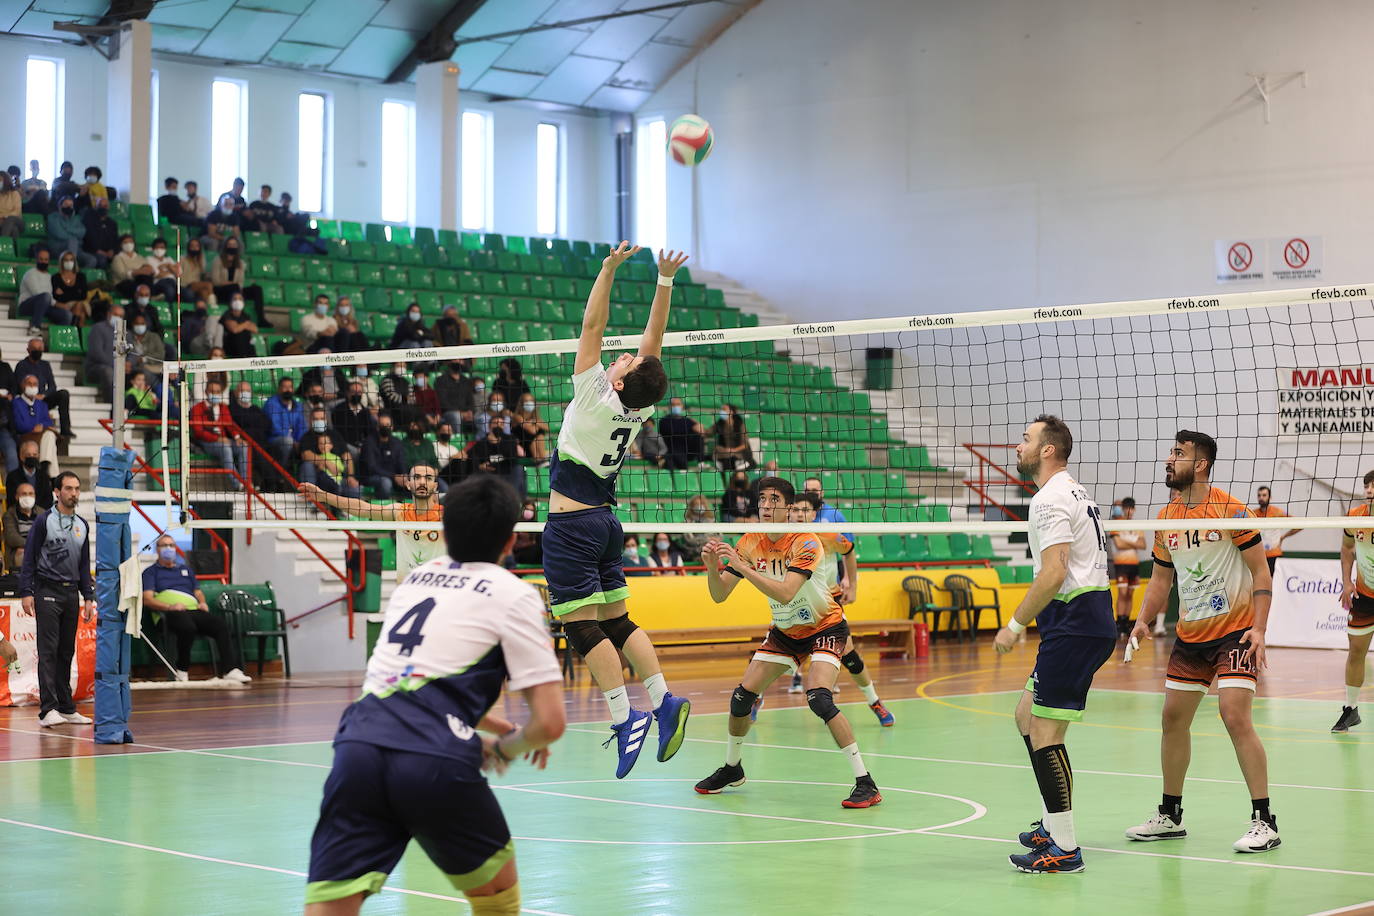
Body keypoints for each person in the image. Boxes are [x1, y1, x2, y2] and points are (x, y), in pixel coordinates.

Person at [303, 475, 564, 916]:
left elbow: (408, 677)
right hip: (433, 760)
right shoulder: (513, 594)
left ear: (444, 531)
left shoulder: (415, 580)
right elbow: (550, 723)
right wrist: (505, 747)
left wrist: (477, 725)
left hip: (359, 746)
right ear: (511, 541)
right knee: (497, 898)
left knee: (332, 908)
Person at [543, 242, 692, 778]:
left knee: (579, 625)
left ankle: (625, 717)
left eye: (623, 361)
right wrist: (664, 281)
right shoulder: (639, 406)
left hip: (571, 525)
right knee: (618, 619)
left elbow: (591, 327)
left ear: (620, 381)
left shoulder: (592, 396)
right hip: (606, 523)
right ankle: (664, 698)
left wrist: (607, 270)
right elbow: (652, 343)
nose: (621, 355)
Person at [1125, 430, 1279, 853]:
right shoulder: (1166, 518)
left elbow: (1262, 576)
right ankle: (1170, 815)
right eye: (1171, 452)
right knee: (1173, 719)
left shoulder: (1232, 511)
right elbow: (1160, 580)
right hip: (1191, 636)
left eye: (1178, 453)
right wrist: (1141, 621)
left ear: (1201, 464)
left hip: (1236, 630)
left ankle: (1265, 820)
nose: (1168, 459)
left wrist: (1260, 629)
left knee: (1234, 715)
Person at [695, 476, 881, 807]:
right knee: (741, 698)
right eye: (762, 499)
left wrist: (741, 567)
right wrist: (713, 569)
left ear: (789, 507)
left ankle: (866, 782)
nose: (766, 505)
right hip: (785, 632)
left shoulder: (807, 542)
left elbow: (785, 591)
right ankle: (732, 768)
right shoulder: (750, 541)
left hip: (825, 626)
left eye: (774, 500)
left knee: (819, 699)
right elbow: (720, 594)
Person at [984, 417, 1116, 873]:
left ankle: (1065, 848)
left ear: (1046, 451)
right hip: (1081, 619)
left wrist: (1014, 624)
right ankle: (1050, 824)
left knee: (1046, 732)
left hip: (1075, 622)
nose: (1017, 445)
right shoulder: (1074, 491)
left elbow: (1054, 572)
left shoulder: (1049, 499)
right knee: (1027, 716)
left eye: (1025, 439)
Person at [790, 491, 893, 725]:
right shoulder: (782, 537)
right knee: (776, 660)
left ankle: (874, 701)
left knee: (850, 656)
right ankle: (755, 700)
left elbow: (849, 552)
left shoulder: (827, 535)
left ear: (814, 514)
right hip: (794, 604)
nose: (799, 515)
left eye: (804, 510)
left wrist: (852, 584)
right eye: (795, 510)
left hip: (829, 603)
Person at [19, 472, 95, 727]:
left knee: (66, 652)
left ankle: (66, 707)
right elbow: (29, 558)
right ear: (57, 492)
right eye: (69, 488)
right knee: (48, 652)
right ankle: (47, 710)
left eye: (77, 488)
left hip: (71, 593)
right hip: (46, 590)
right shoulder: (44, 521)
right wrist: (26, 592)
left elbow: (84, 564)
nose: (74, 493)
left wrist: (88, 597)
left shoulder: (82, 525)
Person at [301, 463, 443, 583]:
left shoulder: (445, 516)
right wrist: (324, 496)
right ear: (408, 484)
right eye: (416, 477)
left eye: (428, 478)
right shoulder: (400, 511)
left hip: (438, 589)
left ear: (435, 485)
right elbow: (363, 508)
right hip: (406, 590)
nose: (422, 482)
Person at [141, 534, 251, 683]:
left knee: (220, 625)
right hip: (168, 615)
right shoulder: (151, 572)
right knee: (187, 627)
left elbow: (198, 592)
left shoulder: (186, 570)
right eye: (164, 545)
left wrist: (203, 602)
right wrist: (170, 607)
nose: (169, 548)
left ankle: (230, 670)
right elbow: (147, 599)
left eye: (172, 545)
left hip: (193, 611)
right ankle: (182, 670)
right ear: (157, 549)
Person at [1334, 470, 1374, 733]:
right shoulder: (1355, 516)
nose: (1369, 489)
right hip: (1364, 595)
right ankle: (1350, 709)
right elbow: (1347, 548)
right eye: (1367, 485)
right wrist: (1346, 582)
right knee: (1356, 652)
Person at [191, 380, 248, 490]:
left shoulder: (223, 407)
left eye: (218, 392)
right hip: (206, 442)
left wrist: (237, 437)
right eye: (213, 391)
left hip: (223, 441)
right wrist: (217, 439)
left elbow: (230, 424)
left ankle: (246, 483)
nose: (215, 394)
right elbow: (198, 432)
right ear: (206, 392)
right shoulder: (197, 408)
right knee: (225, 448)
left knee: (243, 447)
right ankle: (237, 485)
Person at [15, 337, 74, 441]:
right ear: (28, 350)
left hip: (43, 399)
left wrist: (43, 395)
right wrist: (32, 395)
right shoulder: (21, 365)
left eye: (40, 348)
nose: (38, 351)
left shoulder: (45, 365)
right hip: (28, 400)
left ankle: (66, 430)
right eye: (35, 348)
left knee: (63, 394)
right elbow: (20, 386)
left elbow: (52, 386)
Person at [1111, 497, 1148, 638]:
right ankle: (1119, 623)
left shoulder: (1137, 525)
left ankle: (1126, 623)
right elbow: (1118, 545)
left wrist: (1127, 542)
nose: (1130, 511)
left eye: (1132, 509)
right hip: (1121, 564)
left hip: (1134, 564)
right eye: (1127, 508)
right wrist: (1134, 543)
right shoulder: (1116, 524)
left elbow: (1143, 545)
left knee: (1130, 594)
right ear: (1124, 509)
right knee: (1122, 593)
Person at [13, 375, 59, 475]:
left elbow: (48, 422)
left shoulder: (42, 404)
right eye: (29, 383)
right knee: (50, 438)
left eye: (35, 384)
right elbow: (19, 425)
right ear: (23, 385)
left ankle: (45, 467)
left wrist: (41, 426)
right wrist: (34, 427)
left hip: (40, 436)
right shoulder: (16, 403)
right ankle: (50, 474)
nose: (32, 386)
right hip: (25, 436)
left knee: (50, 436)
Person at [1253, 486, 1301, 576]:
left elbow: (1299, 525)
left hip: (1274, 554)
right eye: (1259, 495)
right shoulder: (1253, 514)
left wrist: (1283, 537)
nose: (1261, 498)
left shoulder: (1277, 512)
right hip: (1258, 555)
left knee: (1273, 583)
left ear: (1269, 497)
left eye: (1264, 495)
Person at [359, 414, 410, 499]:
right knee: (386, 482)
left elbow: (401, 462)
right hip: (372, 477)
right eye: (382, 425)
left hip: (394, 477)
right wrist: (393, 476)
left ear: (392, 427)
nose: (385, 427)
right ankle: (383, 508)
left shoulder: (397, 442)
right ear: (377, 427)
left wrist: (403, 476)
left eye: (388, 425)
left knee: (412, 481)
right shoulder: (369, 442)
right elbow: (371, 467)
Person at [18, 250, 66, 335]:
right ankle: (35, 327)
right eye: (41, 259)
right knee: (45, 297)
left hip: (45, 306)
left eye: (46, 259)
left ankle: (59, 337)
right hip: (26, 306)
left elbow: (49, 296)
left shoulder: (49, 276)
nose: (43, 262)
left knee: (66, 315)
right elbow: (37, 293)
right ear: (37, 259)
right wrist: (56, 304)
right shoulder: (30, 274)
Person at [264, 377, 306, 470]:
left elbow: (302, 426)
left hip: (294, 441)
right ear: (279, 389)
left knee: (307, 444)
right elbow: (275, 428)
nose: (288, 390)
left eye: (290, 387)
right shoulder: (272, 404)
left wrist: (300, 441)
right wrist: (293, 441)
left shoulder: (297, 406)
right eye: (284, 387)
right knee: (287, 442)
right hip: (274, 440)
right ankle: (281, 473)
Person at [330, 381, 376, 460]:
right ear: (348, 393)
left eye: (359, 392)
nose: (357, 394)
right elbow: (337, 434)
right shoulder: (339, 410)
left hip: (362, 446)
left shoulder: (365, 412)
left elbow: (369, 433)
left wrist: (364, 446)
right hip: (344, 446)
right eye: (353, 392)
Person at [45, 194, 92, 267]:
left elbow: (82, 232)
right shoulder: (53, 217)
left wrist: (67, 228)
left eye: (71, 205)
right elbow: (59, 234)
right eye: (66, 204)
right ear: (60, 206)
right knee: (72, 241)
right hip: (57, 249)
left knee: (91, 260)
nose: (69, 207)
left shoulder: (76, 219)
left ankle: (77, 276)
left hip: (76, 249)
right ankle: (72, 267)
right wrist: (75, 236)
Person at [658, 397, 706, 470]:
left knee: (698, 437)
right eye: (673, 405)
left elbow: (700, 430)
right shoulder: (664, 421)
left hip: (688, 451)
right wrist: (692, 428)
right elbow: (674, 432)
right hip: (672, 450)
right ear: (669, 407)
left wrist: (699, 428)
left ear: (682, 406)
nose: (676, 406)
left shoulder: (687, 420)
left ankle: (701, 462)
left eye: (678, 404)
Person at [7, 440, 52, 511]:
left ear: (38, 456)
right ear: (21, 456)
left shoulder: (44, 476)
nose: (32, 457)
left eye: (34, 455)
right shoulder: (12, 476)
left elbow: (48, 500)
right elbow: (11, 500)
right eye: (28, 455)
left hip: (41, 515)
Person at [51, 249, 92, 326]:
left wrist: (65, 293)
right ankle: (78, 332)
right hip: (63, 305)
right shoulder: (56, 277)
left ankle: (73, 328)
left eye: (71, 260)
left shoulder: (81, 276)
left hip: (81, 303)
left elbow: (83, 295)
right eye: (66, 260)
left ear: (74, 262)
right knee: (81, 314)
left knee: (79, 304)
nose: (69, 262)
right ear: (62, 262)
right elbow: (56, 296)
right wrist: (75, 292)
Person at [3, 482, 38, 571]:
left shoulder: (42, 513)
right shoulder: (9, 515)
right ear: (17, 497)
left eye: (30, 494)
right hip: (19, 551)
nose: (28, 497)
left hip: (39, 549)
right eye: (24, 494)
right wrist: (32, 546)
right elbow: (12, 538)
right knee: (22, 553)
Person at [674, 495, 718, 563]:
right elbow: (689, 540)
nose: (700, 506)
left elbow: (719, 536)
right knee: (709, 550)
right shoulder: (687, 522)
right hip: (693, 550)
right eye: (697, 504)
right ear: (692, 506)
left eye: (702, 504)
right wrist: (707, 540)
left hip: (710, 547)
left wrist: (713, 540)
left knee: (714, 549)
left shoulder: (711, 520)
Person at [111, 234, 155, 299]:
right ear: (121, 245)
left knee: (146, 279)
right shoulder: (117, 258)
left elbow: (148, 269)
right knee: (134, 286)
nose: (128, 244)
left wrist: (145, 270)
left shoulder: (140, 258)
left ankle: (148, 297)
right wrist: (138, 272)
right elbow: (122, 275)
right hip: (123, 283)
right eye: (125, 242)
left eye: (130, 242)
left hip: (139, 281)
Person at [711, 403, 754, 471]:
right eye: (722, 409)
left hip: (739, 452)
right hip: (726, 452)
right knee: (718, 449)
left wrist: (732, 450)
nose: (722, 411)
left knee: (731, 457)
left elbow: (745, 445)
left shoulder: (740, 424)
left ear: (731, 412)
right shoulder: (719, 423)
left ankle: (741, 463)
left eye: (724, 409)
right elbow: (708, 432)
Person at [81, 195, 118, 269]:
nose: (103, 208)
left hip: (108, 252)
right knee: (102, 260)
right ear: (96, 207)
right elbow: (88, 239)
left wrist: (112, 250)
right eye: (100, 205)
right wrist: (99, 251)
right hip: (92, 251)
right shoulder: (89, 220)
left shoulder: (112, 223)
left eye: (105, 206)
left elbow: (115, 239)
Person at [513, 394, 549, 464]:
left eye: (531, 401)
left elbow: (547, 428)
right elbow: (532, 431)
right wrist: (536, 425)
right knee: (537, 436)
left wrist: (534, 422)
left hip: (535, 446)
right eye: (526, 401)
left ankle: (542, 459)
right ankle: (542, 459)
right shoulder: (517, 417)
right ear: (522, 403)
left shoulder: (535, 417)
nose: (529, 403)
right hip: (522, 447)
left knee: (539, 436)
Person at [220, 294, 259, 358]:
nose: (237, 301)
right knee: (240, 335)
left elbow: (255, 329)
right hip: (230, 343)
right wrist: (246, 324)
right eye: (235, 299)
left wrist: (240, 326)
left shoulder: (245, 315)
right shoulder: (227, 314)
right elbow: (234, 330)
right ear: (230, 302)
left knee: (249, 340)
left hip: (246, 344)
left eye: (240, 299)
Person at [144, 237, 181, 302]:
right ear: (153, 249)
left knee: (188, 294)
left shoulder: (169, 259)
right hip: (158, 283)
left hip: (173, 282)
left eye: (162, 247)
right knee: (170, 291)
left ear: (165, 249)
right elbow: (156, 274)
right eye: (157, 247)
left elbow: (179, 273)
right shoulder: (149, 259)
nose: (159, 249)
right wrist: (170, 271)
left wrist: (168, 266)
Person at [0, 171, 20, 238]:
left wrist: (4, 216)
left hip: (16, 220)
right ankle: (8, 246)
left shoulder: (14, 194)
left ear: (6, 181)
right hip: (3, 222)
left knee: (10, 219)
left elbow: (16, 212)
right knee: (14, 230)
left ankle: (3, 243)